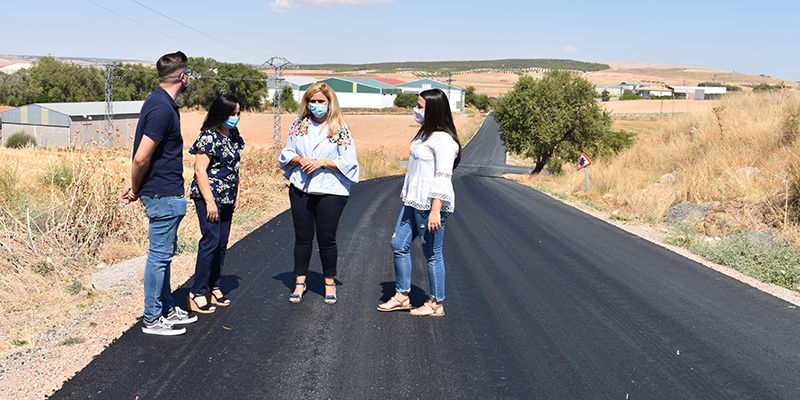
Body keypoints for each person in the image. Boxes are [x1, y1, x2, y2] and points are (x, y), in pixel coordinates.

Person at [121, 51, 197, 336]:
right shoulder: (162, 108)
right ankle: (152, 318)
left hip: (164, 190)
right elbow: (142, 157)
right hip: (162, 193)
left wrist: (137, 186)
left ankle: (166, 307)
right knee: (158, 256)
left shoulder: (159, 102)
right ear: (182, 76)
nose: (189, 77)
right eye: (188, 73)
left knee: (164, 256)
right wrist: (137, 187)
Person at [377, 88, 461, 317]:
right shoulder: (424, 134)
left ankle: (436, 303)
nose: (416, 110)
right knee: (398, 244)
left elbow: (443, 176)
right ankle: (402, 295)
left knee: (433, 253)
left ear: (433, 109)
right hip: (413, 202)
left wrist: (436, 210)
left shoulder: (443, 140)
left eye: (420, 106)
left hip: (430, 205)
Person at [278, 82, 359, 305]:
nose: (316, 106)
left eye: (320, 102)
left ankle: (329, 282)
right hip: (301, 187)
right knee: (302, 238)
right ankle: (300, 281)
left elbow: (349, 161)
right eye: (312, 102)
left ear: (330, 103)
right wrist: (300, 159)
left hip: (330, 190)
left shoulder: (340, 127)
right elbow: (287, 152)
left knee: (327, 238)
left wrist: (323, 163)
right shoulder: (299, 125)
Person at [187, 94, 245, 314]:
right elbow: (200, 170)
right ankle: (197, 292)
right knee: (210, 241)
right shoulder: (208, 137)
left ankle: (214, 285)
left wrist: (236, 194)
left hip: (227, 196)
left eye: (238, 113)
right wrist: (210, 201)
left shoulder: (233, 135)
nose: (235, 118)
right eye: (232, 114)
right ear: (220, 113)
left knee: (221, 242)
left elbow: (234, 168)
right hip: (209, 197)